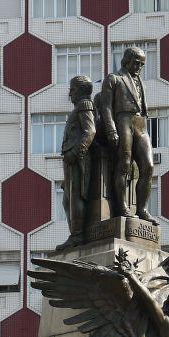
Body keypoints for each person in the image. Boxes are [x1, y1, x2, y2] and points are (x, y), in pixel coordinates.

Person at [96, 47, 155, 222]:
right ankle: (122, 206)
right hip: (122, 120)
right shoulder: (114, 79)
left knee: (148, 166)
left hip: (140, 123)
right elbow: (106, 107)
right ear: (126, 60)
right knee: (125, 164)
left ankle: (142, 209)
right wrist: (111, 129)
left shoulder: (140, 82)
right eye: (136, 63)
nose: (139, 67)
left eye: (142, 64)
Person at [57, 75, 96, 249]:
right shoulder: (79, 107)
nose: (70, 94)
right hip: (71, 160)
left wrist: (76, 152)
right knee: (67, 200)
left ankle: (77, 236)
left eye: (72, 89)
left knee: (75, 197)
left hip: (78, 159)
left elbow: (90, 131)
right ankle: (75, 233)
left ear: (80, 91)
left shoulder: (84, 105)